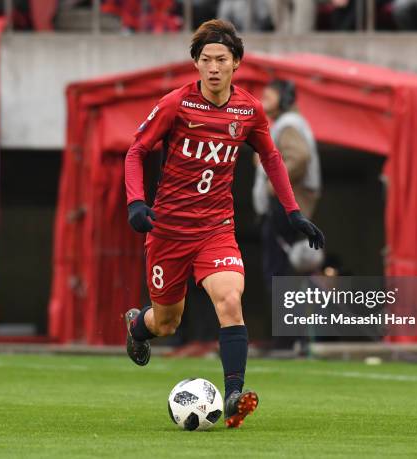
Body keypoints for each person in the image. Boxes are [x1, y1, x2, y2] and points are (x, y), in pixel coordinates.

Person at [123, 19, 324, 428]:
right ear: (196, 64)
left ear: (236, 64)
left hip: (216, 228)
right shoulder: (175, 104)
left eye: (222, 60)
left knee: (231, 303)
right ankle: (137, 327)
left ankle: (233, 394)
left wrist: (293, 212)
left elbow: (272, 158)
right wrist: (137, 203)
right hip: (169, 233)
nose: (213, 67)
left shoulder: (248, 110)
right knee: (166, 321)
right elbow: (136, 150)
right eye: (206, 60)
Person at [254, 79, 322, 285]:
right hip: (285, 206)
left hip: (283, 207)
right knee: (281, 269)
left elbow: (299, 156)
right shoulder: (289, 123)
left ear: (283, 99)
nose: (262, 101)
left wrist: (273, 185)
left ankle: (282, 316)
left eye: (268, 97)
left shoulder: (288, 124)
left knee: (276, 272)